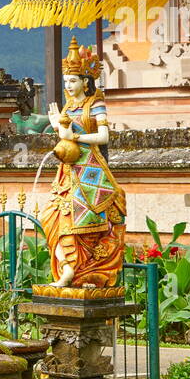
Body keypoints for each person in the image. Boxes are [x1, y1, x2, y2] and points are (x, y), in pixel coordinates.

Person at [42, 39, 127, 288]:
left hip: (91, 171)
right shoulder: (68, 105)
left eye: (73, 81)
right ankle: (67, 270)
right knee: (52, 217)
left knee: (83, 222)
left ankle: (80, 272)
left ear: (85, 82)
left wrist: (73, 135)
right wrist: (59, 124)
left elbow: (103, 137)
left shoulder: (96, 104)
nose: (68, 86)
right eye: (66, 81)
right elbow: (64, 139)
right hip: (68, 170)